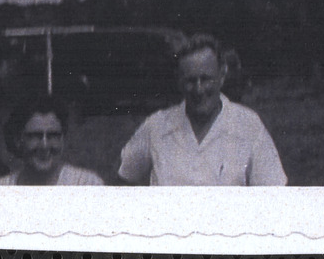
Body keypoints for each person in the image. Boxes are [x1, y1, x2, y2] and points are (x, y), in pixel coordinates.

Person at [117, 34, 287, 185]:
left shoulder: (248, 126)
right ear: (179, 81)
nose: (199, 90)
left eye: (206, 79)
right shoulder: (157, 127)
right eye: (191, 81)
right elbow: (123, 179)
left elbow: (273, 198)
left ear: (222, 75)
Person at [0, 95, 103, 186]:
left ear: (62, 139)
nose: (44, 146)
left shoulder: (86, 185)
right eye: (35, 136)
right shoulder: (0, 190)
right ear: (18, 140)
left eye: (53, 136)